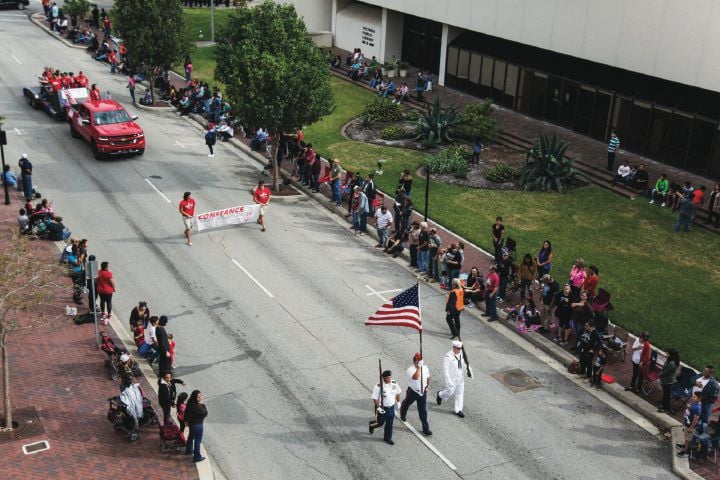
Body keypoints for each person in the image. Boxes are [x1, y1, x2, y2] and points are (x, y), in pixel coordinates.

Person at [400, 353, 432, 436]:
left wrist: (427, 386)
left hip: (422, 392)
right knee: (406, 403)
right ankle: (402, 414)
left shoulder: (425, 368)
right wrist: (418, 368)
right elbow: (416, 377)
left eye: (420, 361)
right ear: (414, 361)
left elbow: (428, 377)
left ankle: (426, 429)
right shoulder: (410, 369)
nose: (419, 363)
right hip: (413, 391)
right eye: (417, 361)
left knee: (423, 411)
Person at [369, 370, 402, 445]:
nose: (390, 379)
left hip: (391, 407)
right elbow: (375, 398)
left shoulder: (394, 383)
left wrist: (398, 402)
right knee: (380, 423)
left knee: (390, 423)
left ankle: (387, 438)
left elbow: (398, 392)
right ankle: (372, 425)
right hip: (382, 407)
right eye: (388, 378)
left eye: (390, 377)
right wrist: (378, 408)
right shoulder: (378, 386)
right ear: (383, 378)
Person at [437, 340, 468, 418]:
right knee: (449, 393)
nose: (460, 350)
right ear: (454, 348)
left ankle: (458, 410)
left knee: (460, 394)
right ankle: (440, 394)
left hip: (460, 378)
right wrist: (448, 381)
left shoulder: (461, 353)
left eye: (461, 348)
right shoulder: (448, 356)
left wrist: (469, 370)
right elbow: (445, 370)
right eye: (458, 348)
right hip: (452, 379)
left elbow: (464, 363)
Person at [184, 390, 208, 462]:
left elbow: (186, 413)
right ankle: (197, 457)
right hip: (198, 426)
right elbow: (205, 413)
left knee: (191, 437)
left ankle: (188, 450)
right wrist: (204, 406)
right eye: (198, 397)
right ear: (195, 397)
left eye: (200, 396)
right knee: (197, 441)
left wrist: (186, 421)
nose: (200, 398)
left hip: (191, 425)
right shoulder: (198, 406)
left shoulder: (189, 403)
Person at [676, 393, 702, 458]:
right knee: (686, 436)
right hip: (687, 423)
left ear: (699, 399)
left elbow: (696, 419)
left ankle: (685, 452)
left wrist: (691, 428)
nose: (693, 398)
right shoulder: (693, 403)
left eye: (695, 397)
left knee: (688, 438)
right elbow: (689, 408)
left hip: (690, 426)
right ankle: (685, 445)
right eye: (693, 396)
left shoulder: (697, 408)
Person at [658, 348, 680, 413]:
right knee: (666, 394)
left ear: (670, 354)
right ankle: (664, 406)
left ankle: (666, 408)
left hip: (668, 380)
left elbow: (665, 372)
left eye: (667, 353)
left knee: (666, 395)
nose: (666, 354)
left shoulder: (671, 363)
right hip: (668, 380)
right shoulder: (672, 361)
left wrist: (659, 374)